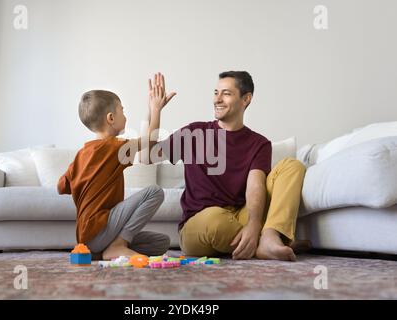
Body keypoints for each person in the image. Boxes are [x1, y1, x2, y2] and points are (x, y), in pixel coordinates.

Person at [155, 71, 307, 261]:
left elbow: (255, 185)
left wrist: (253, 224)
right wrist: (155, 111)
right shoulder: (194, 132)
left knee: (292, 166)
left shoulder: (259, 143)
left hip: (239, 215)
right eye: (216, 92)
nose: (217, 99)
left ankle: (269, 237)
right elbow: (148, 156)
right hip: (201, 223)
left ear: (246, 99)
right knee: (215, 219)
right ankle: (267, 245)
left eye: (226, 93)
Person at [57, 73, 176, 260]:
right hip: (99, 229)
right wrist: (156, 109)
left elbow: (61, 186)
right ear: (111, 118)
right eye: (123, 111)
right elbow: (151, 142)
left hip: (87, 239)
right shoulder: (113, 147)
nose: (125, 116)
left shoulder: (82, 154)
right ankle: (118, 246)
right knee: (155, 192)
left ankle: (107, 249)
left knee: (161, 242)